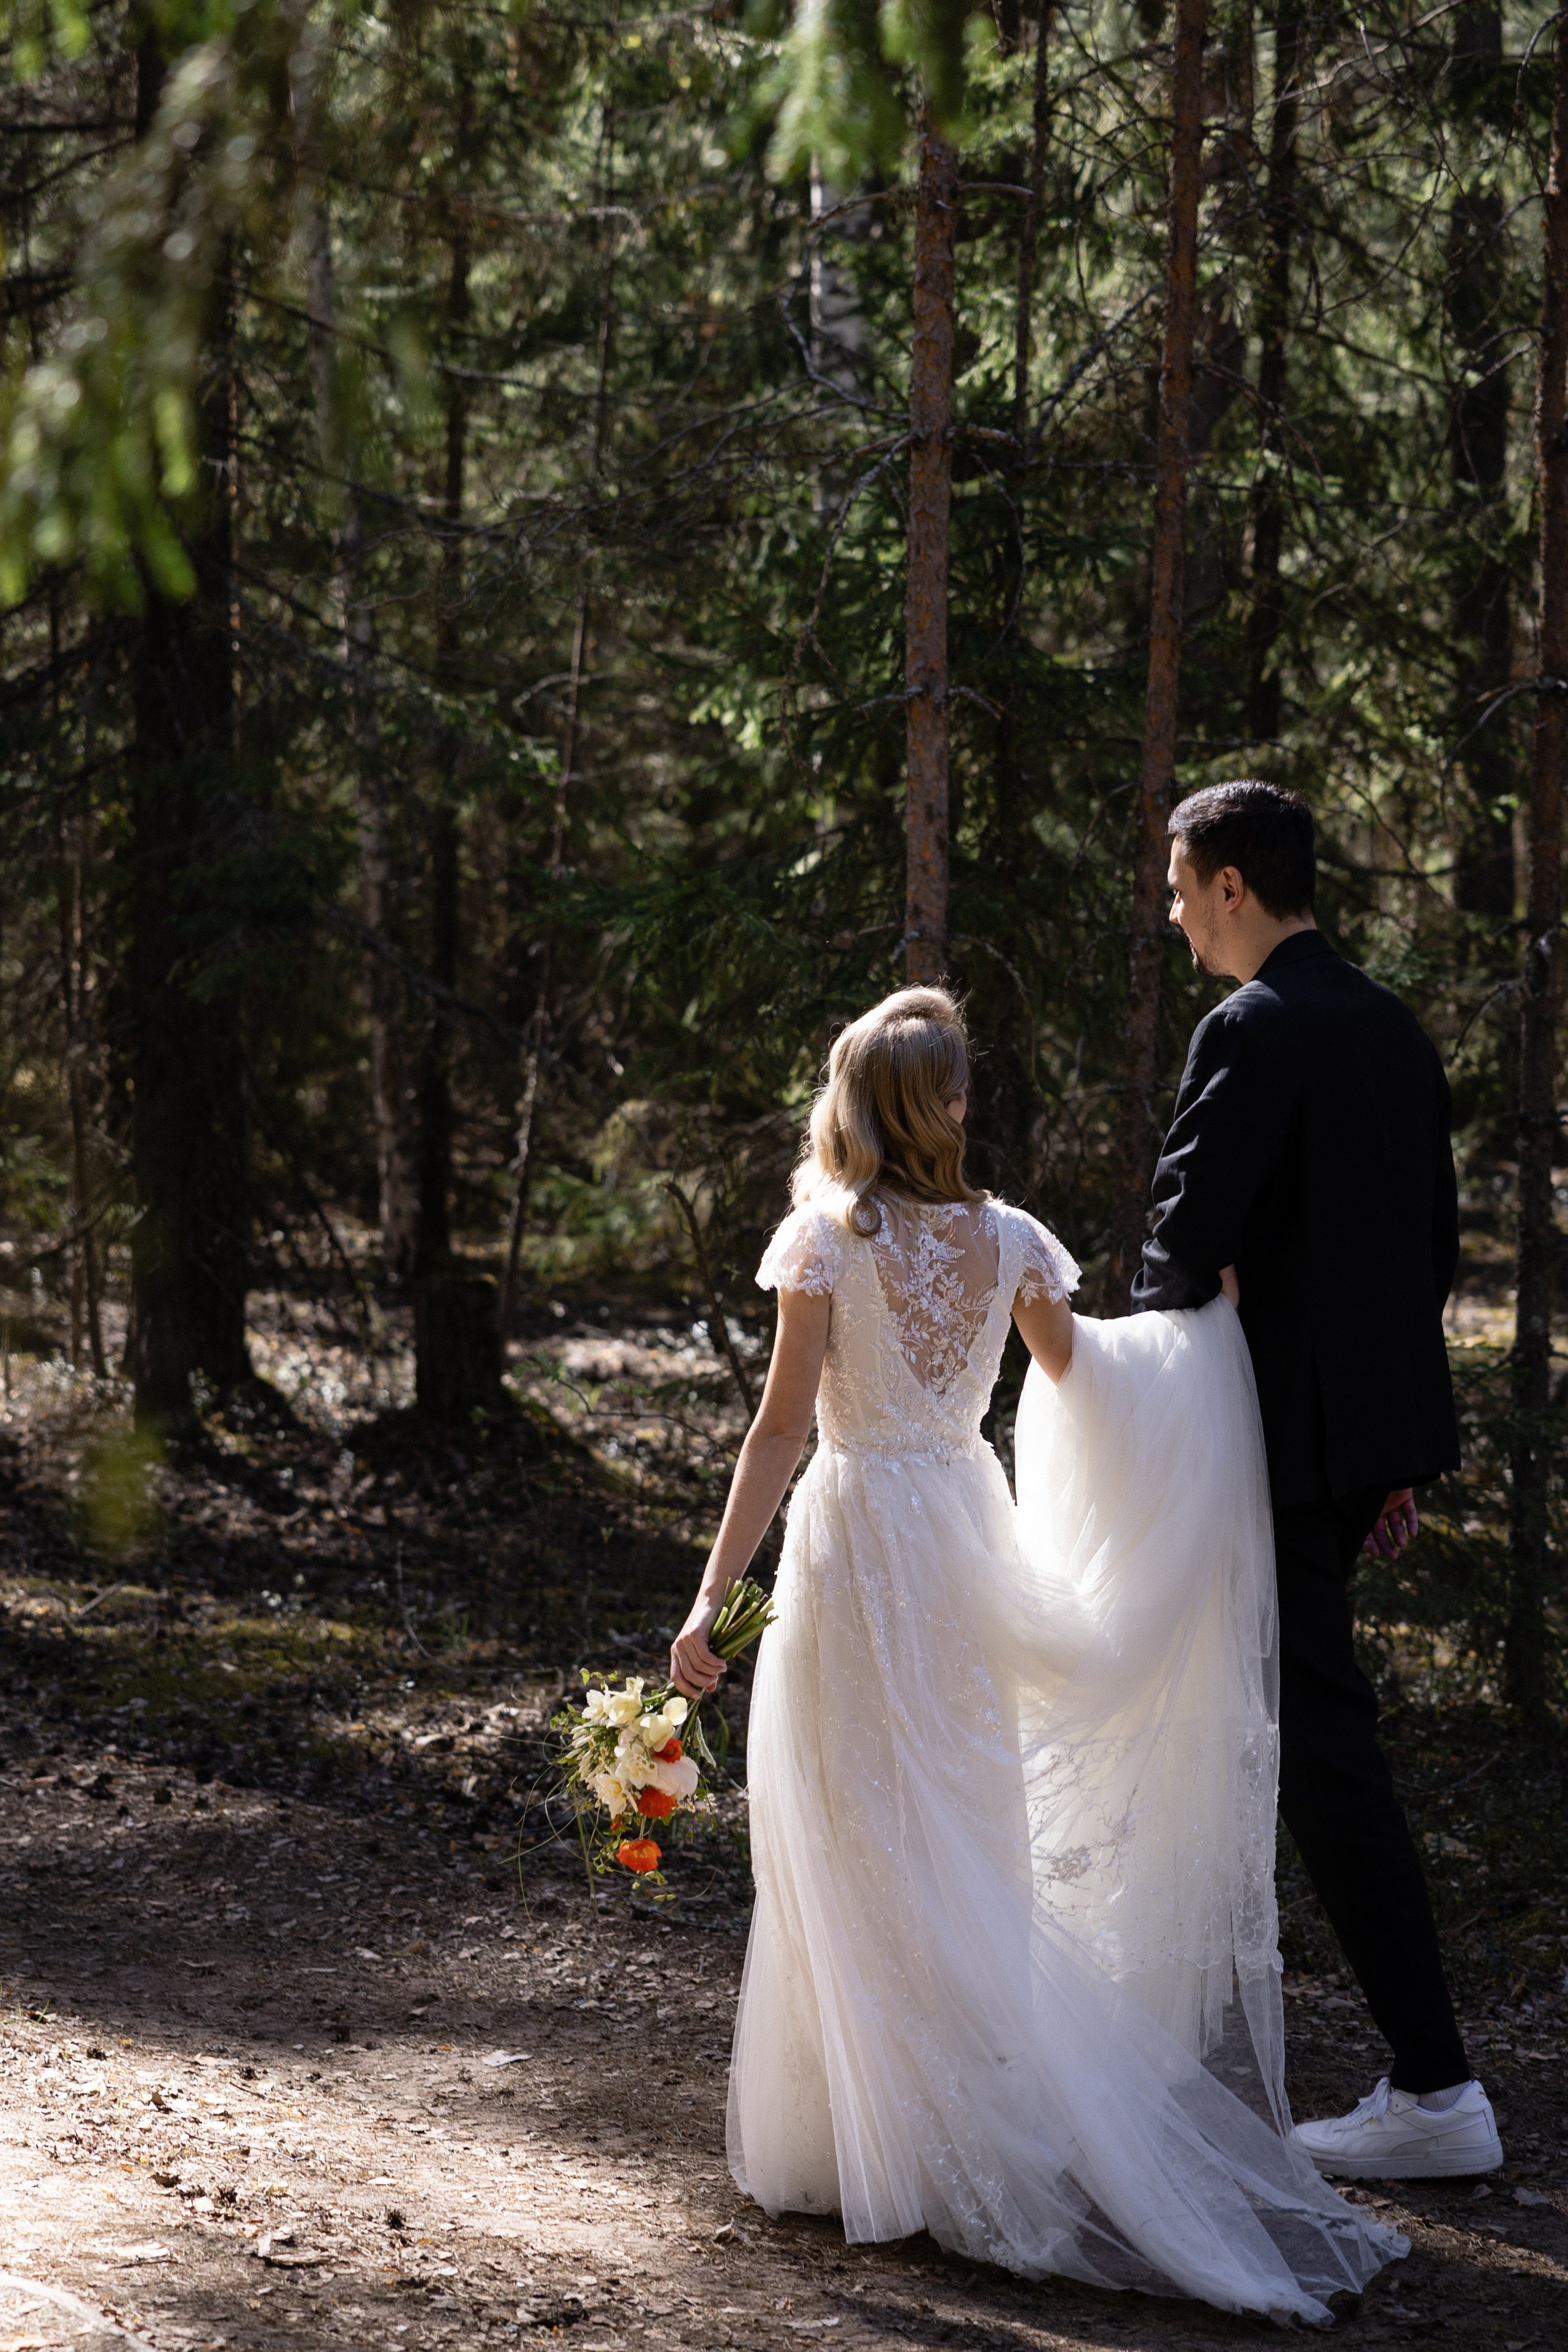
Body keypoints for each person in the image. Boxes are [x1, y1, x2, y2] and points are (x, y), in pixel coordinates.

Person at [671, 987, 1401, 2323]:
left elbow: (781, 1432)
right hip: (960, 1527)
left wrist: (711, 1597)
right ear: (937, 1102)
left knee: (855, 1821)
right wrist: (1206, 1337)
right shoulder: (1008, 1240)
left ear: (854, 1100)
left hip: (856, 1540)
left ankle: (879, 2145)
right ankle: (933, 2123)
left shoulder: (824, 1241)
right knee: (961, 1810)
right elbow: (1091, 1379)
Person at [1133, 779, 1501, 2183]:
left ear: (1233, 886)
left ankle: (1433, 2086)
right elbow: (1425, 1258)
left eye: (1179, 890)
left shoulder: (1252, 1026)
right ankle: (1403, 2073)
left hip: (1264, 1451)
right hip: (1350, 1452)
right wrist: (1388, 1459)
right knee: (1298, 1742)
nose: (1172, 918)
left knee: (1317, 1754)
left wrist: (1170, 1355)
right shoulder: (1393, 1028)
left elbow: (1181, 1241)